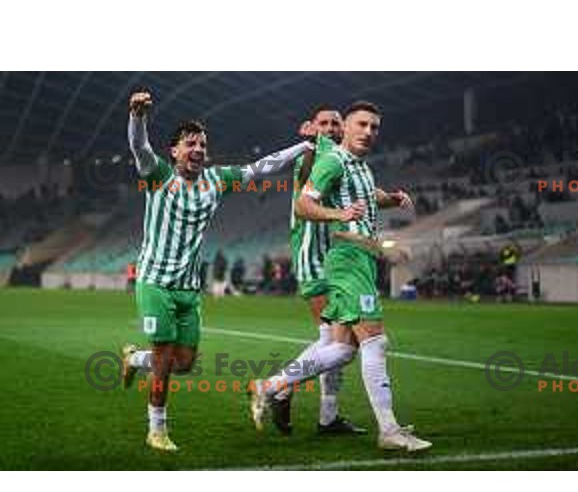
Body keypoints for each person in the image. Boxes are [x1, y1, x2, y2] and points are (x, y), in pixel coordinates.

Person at [121, 90, 313, 452]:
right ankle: (157, 428)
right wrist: (137, 116)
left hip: (189, 288)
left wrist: (302, 147)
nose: (197, 149)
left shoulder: (216, 180)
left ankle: (133, 359)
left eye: (202, 144)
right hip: (154, 282)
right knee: (164, 357)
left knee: (184, 362)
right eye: (189, 143)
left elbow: (263, 168)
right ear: (174, 151)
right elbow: (139, 148)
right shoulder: (159, 174)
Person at [251, 101, 431, 452]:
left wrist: (392, 199)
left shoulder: (359, 165)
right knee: (375, 341)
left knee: (342, 349)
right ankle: (389, 429)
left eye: (374, 127)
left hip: (358, 257)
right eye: (360, 124)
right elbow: (304, 203)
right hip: (343, 258)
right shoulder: (328, 159)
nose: (367, 131)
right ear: (346, 129)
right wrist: (339, 213)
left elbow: (368, 196)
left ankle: (271, 387)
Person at [274, 104, 366, 436]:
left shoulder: (346, 161)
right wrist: (311, 144)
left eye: (335, 123)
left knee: (334, 342)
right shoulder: (311, 155)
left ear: (343, 128)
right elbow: (303, 177)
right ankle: (281, 386)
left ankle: (326, 415)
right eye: (323, 123)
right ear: (313, 127)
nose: (329, 127)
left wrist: (392, 198)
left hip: (336, 257)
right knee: (339, 342)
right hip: (312, 256)